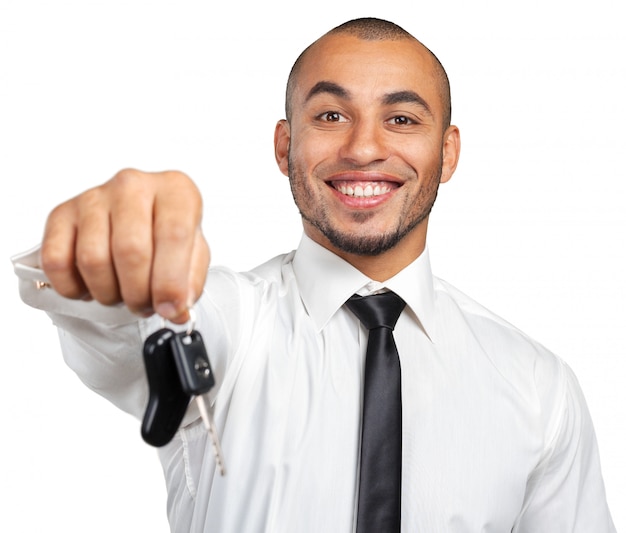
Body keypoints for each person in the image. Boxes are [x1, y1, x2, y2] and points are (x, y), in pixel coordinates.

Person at [12, 17, 616, 533]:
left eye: (402, 119)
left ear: (449, 152)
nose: (362, 149)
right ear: (284, 146)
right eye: (331, 114)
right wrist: (103, 251)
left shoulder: (539, 388)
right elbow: (116, 321)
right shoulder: (226, 321)